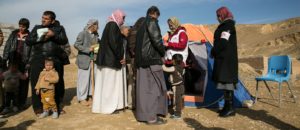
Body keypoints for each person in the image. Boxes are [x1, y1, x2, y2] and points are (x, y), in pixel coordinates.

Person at [26, 11, 68, 116]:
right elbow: (28, 40)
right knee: (37, 83)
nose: (43, 20)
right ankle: (38, 108)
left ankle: (56, 107)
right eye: (42, 18)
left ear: (52, 20)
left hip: (55, 60)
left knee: (56, 84)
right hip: (38, 59)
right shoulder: (36, 28)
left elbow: (64, 40)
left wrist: (53, 35)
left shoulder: (59, 28)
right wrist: (42, 37)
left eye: (46, 18)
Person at [135, 6, 167, 125]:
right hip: (151, 61)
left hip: (142, 62)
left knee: (145, 90)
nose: (157, 18)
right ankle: (151, 118)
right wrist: (163, 53)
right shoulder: (151, 22)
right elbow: (157, 40)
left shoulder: (141, 25)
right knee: (153, 89)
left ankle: (147, 115)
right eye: (157, 16)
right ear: (153, 14)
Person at [92, 9, 127, 114]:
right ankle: (108, 108)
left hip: (107, 60)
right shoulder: (112, 25)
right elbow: (114, 43)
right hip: (110, 61)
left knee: (105, 85)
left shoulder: (110, 25)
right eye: (123, 18)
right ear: (118, 16)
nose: (123, 21)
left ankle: (103, 106)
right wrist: (120, 56)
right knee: (109, 85)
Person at [211, 6, 238, 117]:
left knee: (228, 83)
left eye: (219, 16)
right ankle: (227, 106)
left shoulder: (228, 26)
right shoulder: (225, 25)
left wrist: (213, 51)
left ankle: (230, 108)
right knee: (224, 83)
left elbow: (223, 42)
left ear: (223, 15)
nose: (217, 18)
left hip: (227, 60)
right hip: (223, 58)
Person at [2, 18, 31, 110]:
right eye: (20, 26)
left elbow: (32, 51)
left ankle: (21, 103)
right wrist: (5, 59)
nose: (21, 28)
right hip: (13, 62)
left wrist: (29, 63)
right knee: (10, 82)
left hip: (24, 63)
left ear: (27, 27)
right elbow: (7, 47)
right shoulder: (14, 34)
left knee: (23, 83)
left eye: (23, 26)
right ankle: (9, 104)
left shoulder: (30, 36)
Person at [74, 19, 99, 106]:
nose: (98, 27)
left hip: (93, 60)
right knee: (83, 80)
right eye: (96, 25)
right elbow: (76, 45)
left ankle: (90, 95)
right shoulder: (83, 33)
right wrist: (88, 49)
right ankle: (82, 98)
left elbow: (96, 45)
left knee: (92, 79)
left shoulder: (96, 35)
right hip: (84, 60)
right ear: (91, 25)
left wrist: (96, 48)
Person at [126, 17, 145, 110]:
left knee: (132, 82)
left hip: (132, 60)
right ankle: (134, 103)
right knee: (135, 82)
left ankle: (131, 103)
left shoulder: (132, 31)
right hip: (135, 60)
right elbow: (133, 49)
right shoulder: (135, 32)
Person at [167, 54, 185, 119]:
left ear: (174, 60)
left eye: (172, 59)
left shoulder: (173, 68)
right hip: (181, 86)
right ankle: (179, 110)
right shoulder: (181, 66)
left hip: (177, 86)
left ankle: (177, 114)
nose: (171, 60)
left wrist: (161, 64)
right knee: (179, 99)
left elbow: (165, 69)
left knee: (177, 100)